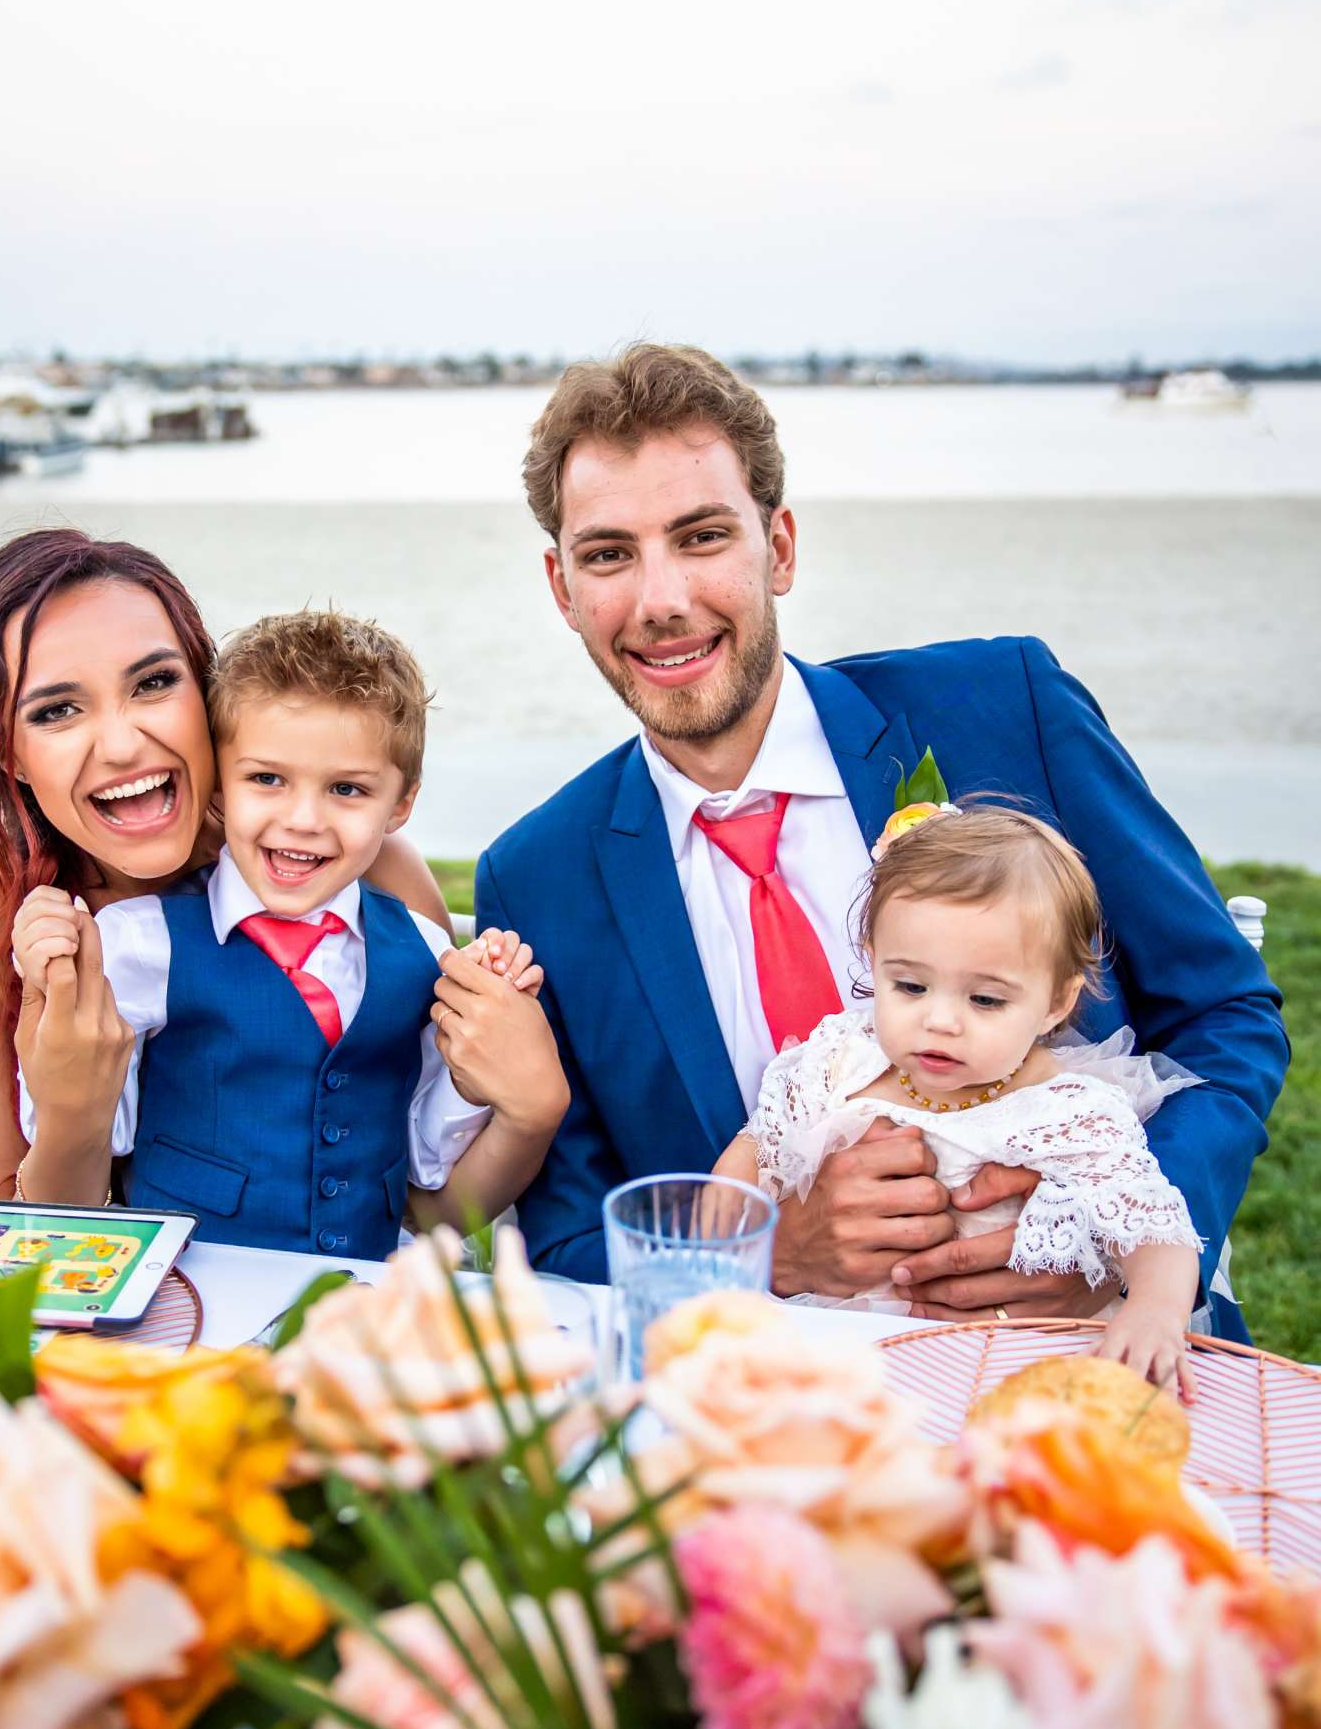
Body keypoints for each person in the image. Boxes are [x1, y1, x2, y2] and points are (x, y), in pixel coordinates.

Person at [475, 343, 1287, 1334]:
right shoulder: (537, 878)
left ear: (778, 547)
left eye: (700, 537)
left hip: (1094, 1351)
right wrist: (762, 1250)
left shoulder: (1005, 707)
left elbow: (1223, 1014)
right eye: (609, 555)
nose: (660, 601)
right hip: (773, 1401)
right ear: (562, 588)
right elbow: (562, 1230)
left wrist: (1122, 1255)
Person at [0, 529, 454, 1200]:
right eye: (57, 711)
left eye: (154, 683)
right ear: (8, 754)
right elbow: (4, 1238)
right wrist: (75, 1114)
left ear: (209, 690)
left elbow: (430, 1175)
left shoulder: (358, 867)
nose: (124, 744)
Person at [12, 612, 569, 1252]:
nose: (303, 819)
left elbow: (428, 1164)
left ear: (401, 804)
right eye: (267, 779)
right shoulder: (138, 943)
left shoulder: (424, 951)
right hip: (192, 1291)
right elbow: (90, 1138)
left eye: (347, 789)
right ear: (219, 788)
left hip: (361, 1302)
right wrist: (56, 988)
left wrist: (477, 1063)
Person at [715, 804, 1202, 1391]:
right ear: (873, 959)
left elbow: (1154, 1226)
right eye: (911, 986)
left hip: (996, 1361)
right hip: (829, 1348)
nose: (940, 1020)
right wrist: (722, 1221)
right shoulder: (841, 1059)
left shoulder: (1065, 1112)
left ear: (1055, 1002)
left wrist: (1154, 1309)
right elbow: (757, 1145)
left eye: (986, 1000)